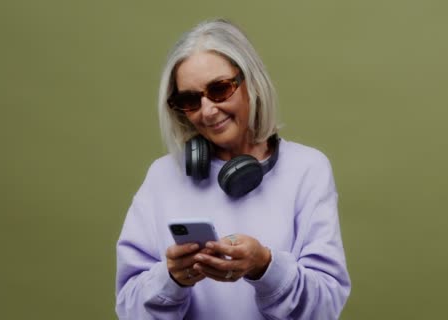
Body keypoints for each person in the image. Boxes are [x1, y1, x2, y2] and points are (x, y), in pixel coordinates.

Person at [115, 19, 351, 319]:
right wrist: (172, 279)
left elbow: (325, 306)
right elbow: (130, 310)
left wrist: (265, 266)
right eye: (190, 100)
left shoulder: (308, 169)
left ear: (251, 83)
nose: (208, 111)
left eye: (219, 89)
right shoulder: (162, 177)